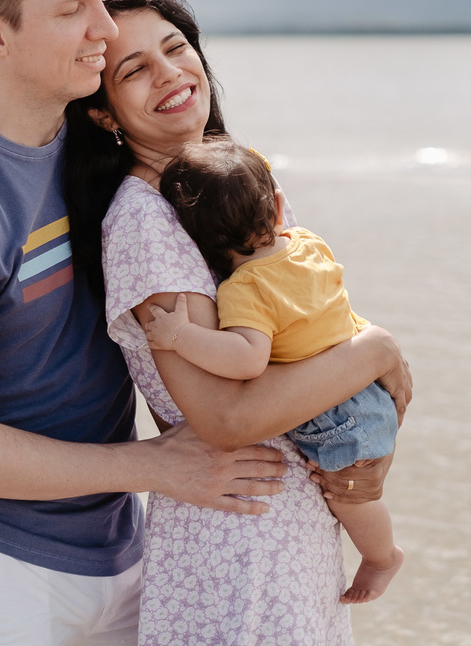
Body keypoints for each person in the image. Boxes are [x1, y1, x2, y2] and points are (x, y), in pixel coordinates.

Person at [0, 0, 305, 646]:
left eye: (99, 1)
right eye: (73, 9)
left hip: (119, 549)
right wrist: (156, 468)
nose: (103, 30)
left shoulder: (96, 156)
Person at [64, 0, 412, 644]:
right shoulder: (145, 218)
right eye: (134, 69)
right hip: (240, 540)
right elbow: (227, 417)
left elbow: (301, 324)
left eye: (175, 47)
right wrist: (376, 351)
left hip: (287, 527)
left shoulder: (224, 182)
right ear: (105, 114)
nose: (168, 72)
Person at [147, 137, 405, 604]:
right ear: (279, 206)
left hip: (337, 415)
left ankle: (382, 557)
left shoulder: (245, 288)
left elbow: (248, 357)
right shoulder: (308, 244)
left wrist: (179, 337)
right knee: (350, 494)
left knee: (352, 499)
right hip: (359, 386)